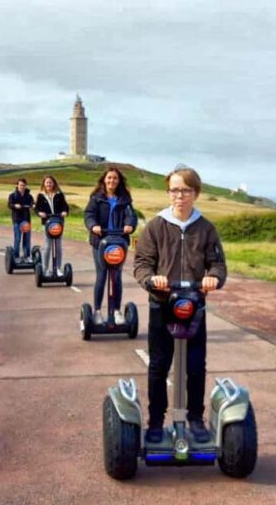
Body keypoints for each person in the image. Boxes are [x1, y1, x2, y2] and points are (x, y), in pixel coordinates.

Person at [132, 165, 227, 444]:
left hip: (194, 306)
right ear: (168, 192)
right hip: (162, 304)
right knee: (159, 365)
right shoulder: (156, 226)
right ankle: (157, 422)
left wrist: (212, 278)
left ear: (195, 193)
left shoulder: (206, 228)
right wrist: (152, 279)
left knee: (196, 365)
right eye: (174, 190)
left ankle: (196, 419)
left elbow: (218, 264)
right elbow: (141, 264)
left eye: (185, 190)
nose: (179, 196)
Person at [84, 167, 137, 325]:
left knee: (116, 277)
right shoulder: (96, 198)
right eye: (109, 178)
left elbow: (131, 215)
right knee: (102, 276)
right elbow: (89, 215)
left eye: (115, 178)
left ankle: (116, 311)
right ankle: (98, 312)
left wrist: (129, 225)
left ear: (119, 181)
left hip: (119, 242)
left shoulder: (124, 199)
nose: (111, 181)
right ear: (104, 180)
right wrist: (93, 226)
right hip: (100, 241)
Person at [34, 175, 70, 277]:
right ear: (44, 184)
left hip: (58, 222)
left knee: (58, 246)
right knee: (47, 246)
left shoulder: (59, 194)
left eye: (50, 182)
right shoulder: (41, 196)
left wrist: (64, 211)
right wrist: (39, 213)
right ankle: (45, 269)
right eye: (47, 183)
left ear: (53, 183)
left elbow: (65, 206)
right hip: (46, 223)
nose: (49, 184)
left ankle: (58, 269)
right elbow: (36, 208)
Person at [7, 178, 34, 260]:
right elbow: (9, 205)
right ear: (17, 185)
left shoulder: (29, 196)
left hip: (26, 220)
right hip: (17, 220)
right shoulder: (13, 195)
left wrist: (33, 205)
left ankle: (27, 256)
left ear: (26, 186)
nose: (22, 187)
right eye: (20, 185)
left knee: (27, 239)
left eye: (23, 185)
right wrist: (15, 206)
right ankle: (16, 256)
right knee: (18, 239)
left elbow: (32, 203)